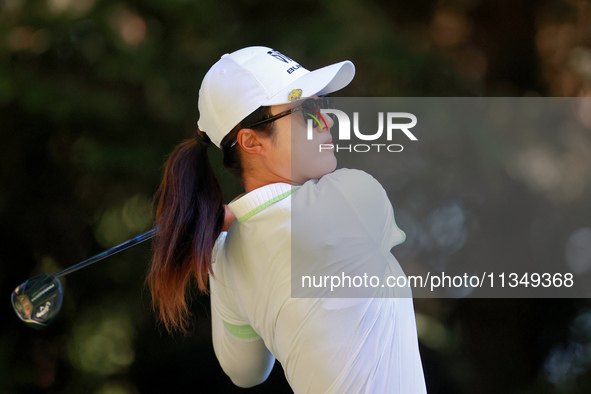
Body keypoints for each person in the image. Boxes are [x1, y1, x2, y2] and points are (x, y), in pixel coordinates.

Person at [147, 46, 427, 393]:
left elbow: (245, 372)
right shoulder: (353, 194)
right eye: (307, 111)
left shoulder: (227, 255)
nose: (326, 121)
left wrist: (225, 244)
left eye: (322, 104)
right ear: (251, 141)